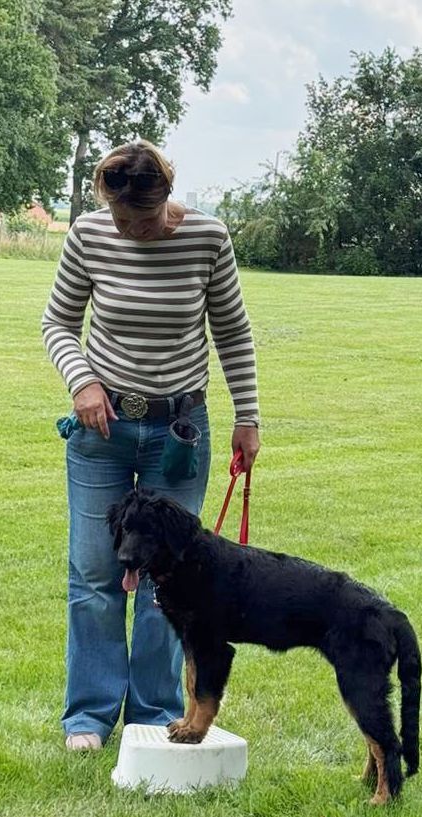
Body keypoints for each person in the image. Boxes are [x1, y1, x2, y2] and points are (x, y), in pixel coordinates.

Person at [41, 139, 260, 751]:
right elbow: (57, 322)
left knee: (173, 581)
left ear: (167, 194)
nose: (132, 230)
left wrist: (248, 417)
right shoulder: (88, 234)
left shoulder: (207, 238)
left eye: (144, 217)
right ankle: (88, 716)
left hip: (179, 433)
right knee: (94, 573)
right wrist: (81, 381)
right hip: (102, 430)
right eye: (120, 216)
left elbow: (232, 332)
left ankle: (153, 712)